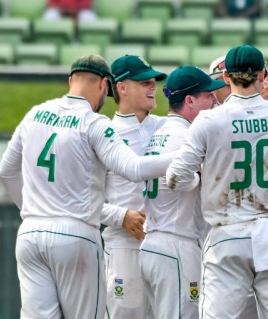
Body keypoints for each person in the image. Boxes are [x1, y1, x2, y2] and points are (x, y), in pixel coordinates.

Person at [0, 54, 174, 319]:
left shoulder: (35, 114)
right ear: (105, 84)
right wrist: (186, 159)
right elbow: (134, 168)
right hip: (75, 234)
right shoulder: (94, 122)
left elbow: (5, 171)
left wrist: (31, 210)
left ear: (71, 80)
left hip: (31, 233)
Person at [165, 45, 268, 319]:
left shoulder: (208, 120)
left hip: (226, 233)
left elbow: (175, 178)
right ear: (263, 75)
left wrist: (206, 178)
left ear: (226, 77)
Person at [139, 65, 225, 319]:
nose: (214, 101)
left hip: (154, 242)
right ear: (190, 100)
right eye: (207, 96)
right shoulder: (187, 138)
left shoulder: (160, 133)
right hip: (176, 244)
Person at [101, 54, 167, 318]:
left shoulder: (167, 127)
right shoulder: (103, 133)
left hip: (165, 242)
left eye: (153, 81)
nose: (153, 87)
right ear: (122, 87)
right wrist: (121, 216)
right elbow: (81, 199)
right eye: (144, 82)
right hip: (123, 245)